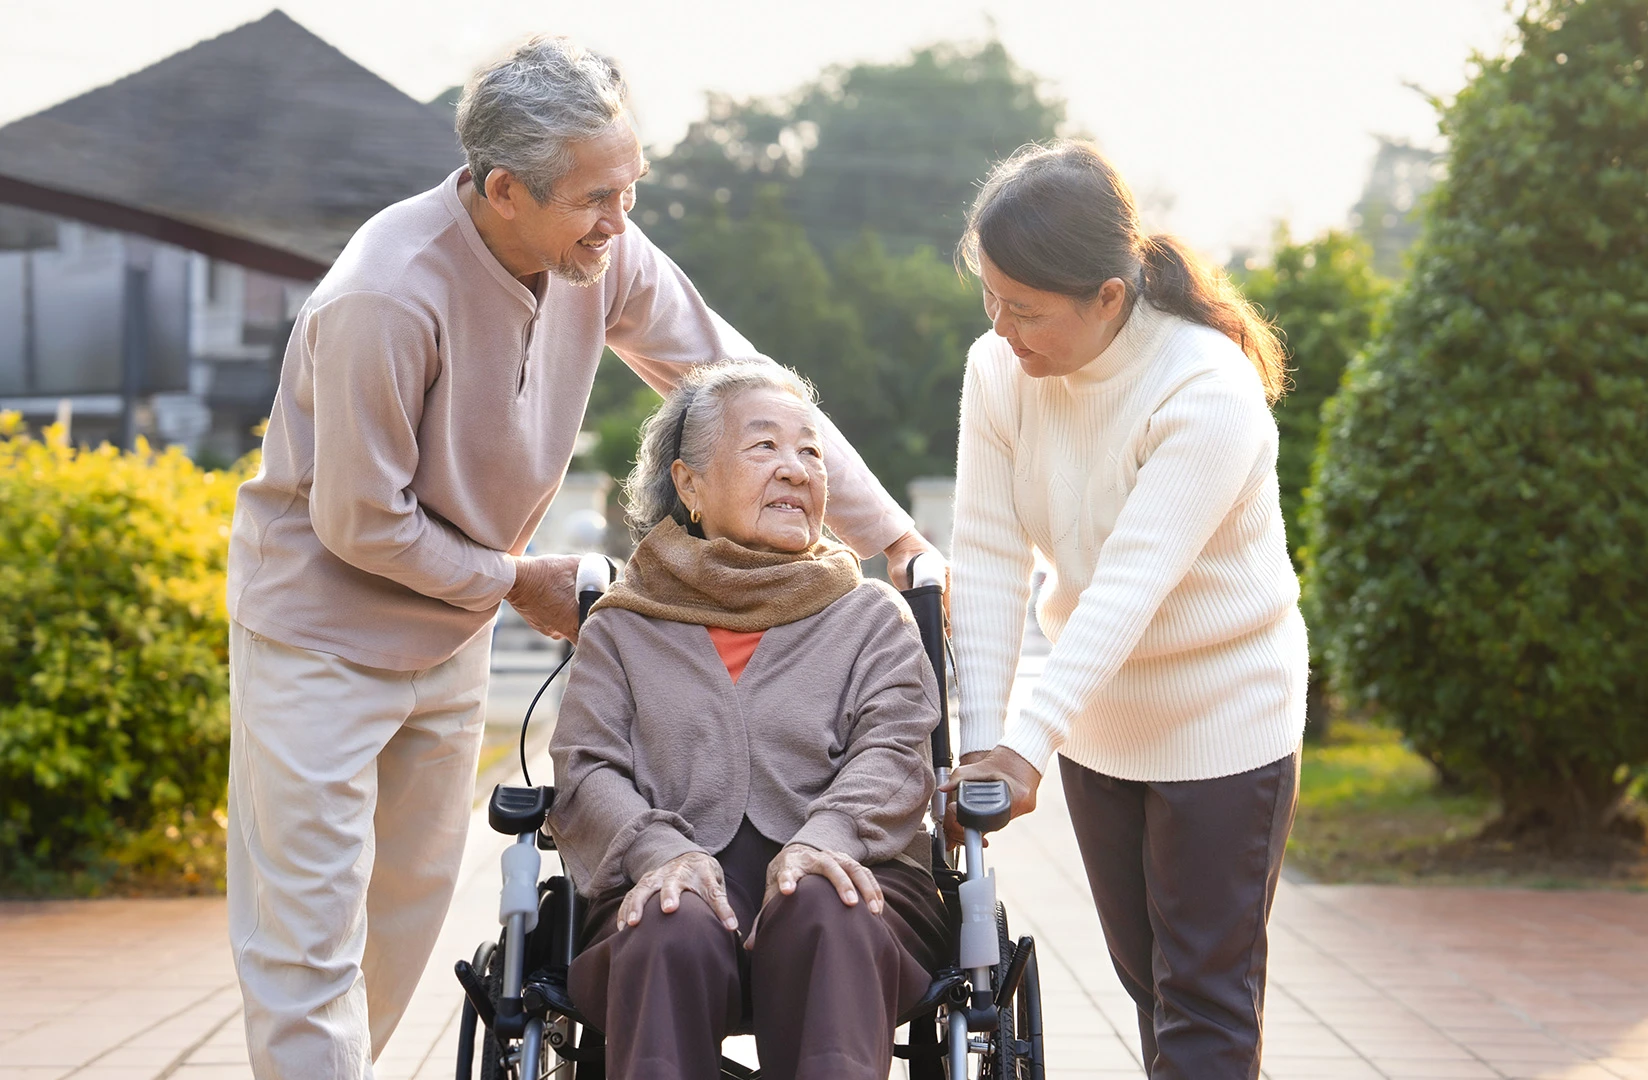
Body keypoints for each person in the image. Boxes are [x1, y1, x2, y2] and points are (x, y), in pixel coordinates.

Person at [222, 37, 935, 1079]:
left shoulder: (600, 256)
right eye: (597, 197)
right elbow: (361, 522)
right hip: (325, 633)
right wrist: (517, 580)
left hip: (450, 628)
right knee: (308, 933)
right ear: (503, 190)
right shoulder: (384, 297)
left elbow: (733, 377)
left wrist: (895, 538)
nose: (619, 219)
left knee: (401, 919)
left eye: (630, 188)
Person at [941, 140, 1307, 1079]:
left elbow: (1129, 590)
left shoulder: (1205, 389)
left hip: (1224, 719)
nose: (1003, 329)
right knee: (1149, 984)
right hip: (1102, 724)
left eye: (1027, 310)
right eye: (991, 300)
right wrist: (981, 748)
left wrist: (1026, 747)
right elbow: (987, 556)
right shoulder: (998, 371)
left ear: (1108, 295)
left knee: (1204, 1005)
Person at [548, 360, 951, 1079]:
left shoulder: (870, 617)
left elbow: (895, 751)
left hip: (861, 878)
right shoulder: (624, 625)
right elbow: (586, 770)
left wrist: (826, 840)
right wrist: (658, 854)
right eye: (765, 446)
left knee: (822, 900)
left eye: (811, 451)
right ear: (690, 485)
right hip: (660, 874)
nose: (796, 468)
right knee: (668, 916)